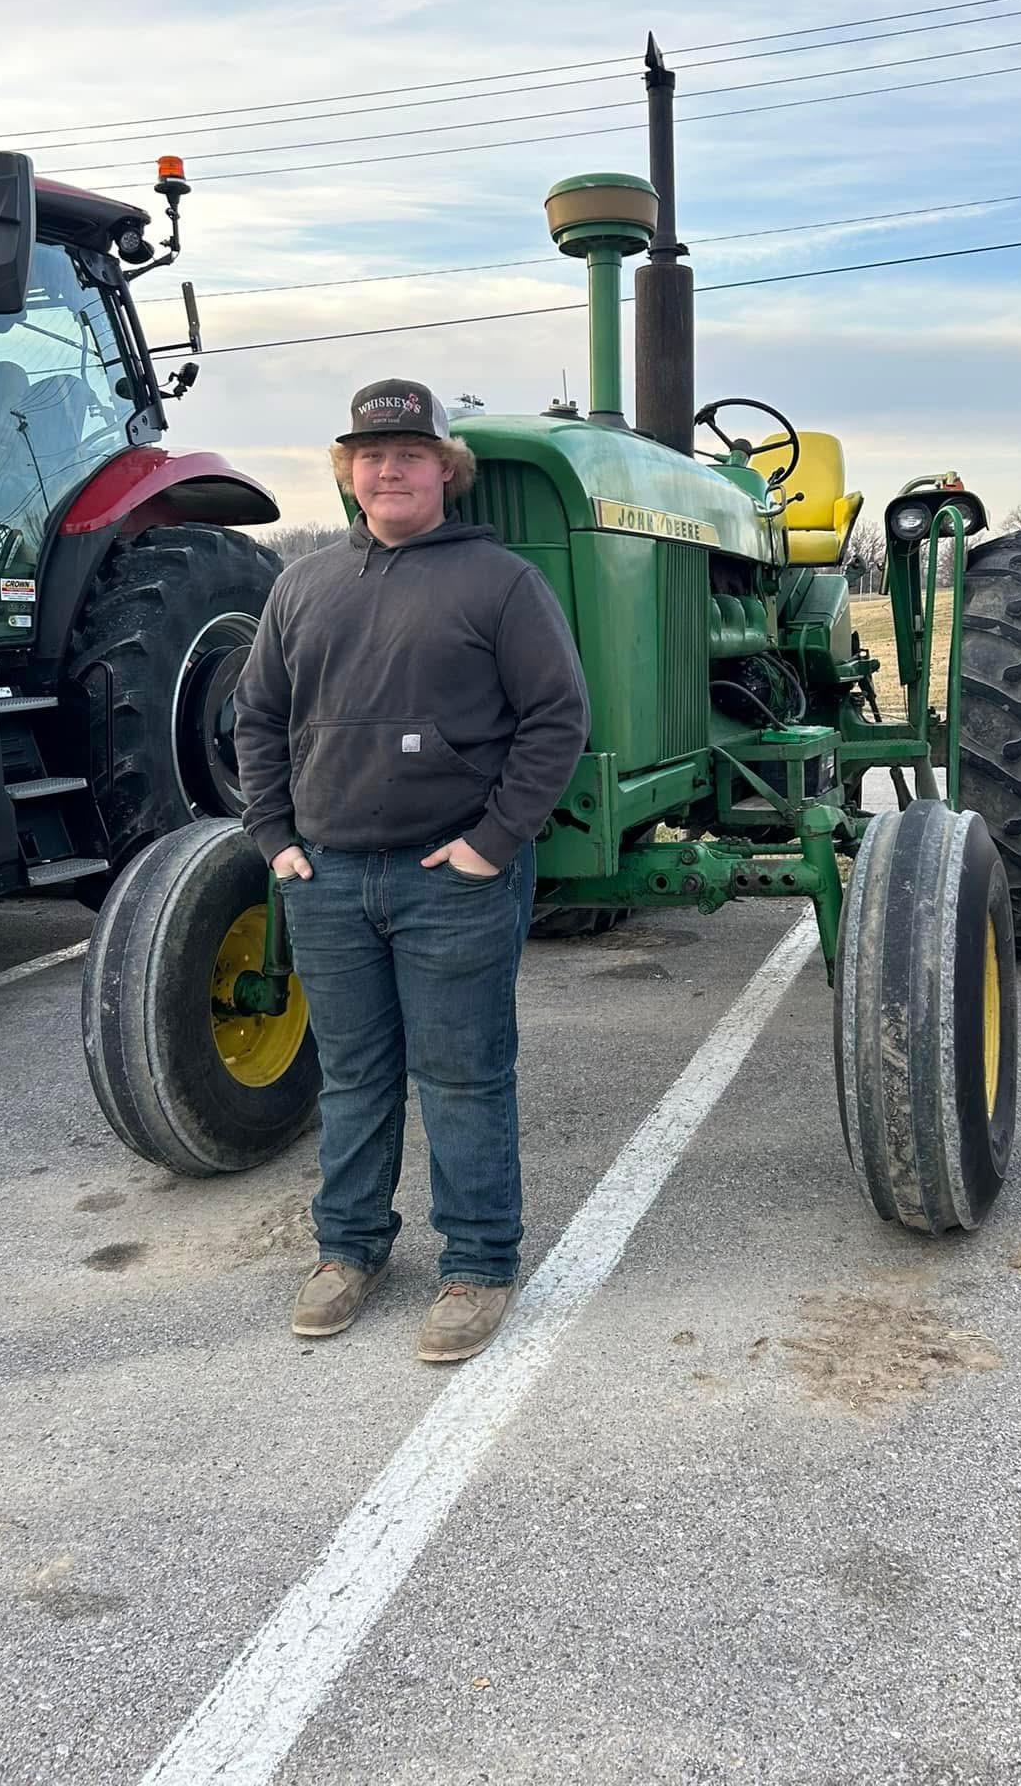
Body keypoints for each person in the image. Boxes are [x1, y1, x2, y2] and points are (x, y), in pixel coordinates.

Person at [233, 378, 590, 1362]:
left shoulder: (501, 582)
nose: (388, 469)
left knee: (463, 1078)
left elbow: (558, 717)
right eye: (370, 455)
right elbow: (258, 716)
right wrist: (275, 836)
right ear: (349, 472)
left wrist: (492, 842)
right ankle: (348, 1250)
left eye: (409, 454)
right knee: (353, 1078)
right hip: (328, 879)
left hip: (453, 879)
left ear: (446, 469)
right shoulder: (302, 585)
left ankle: (478, 1265)